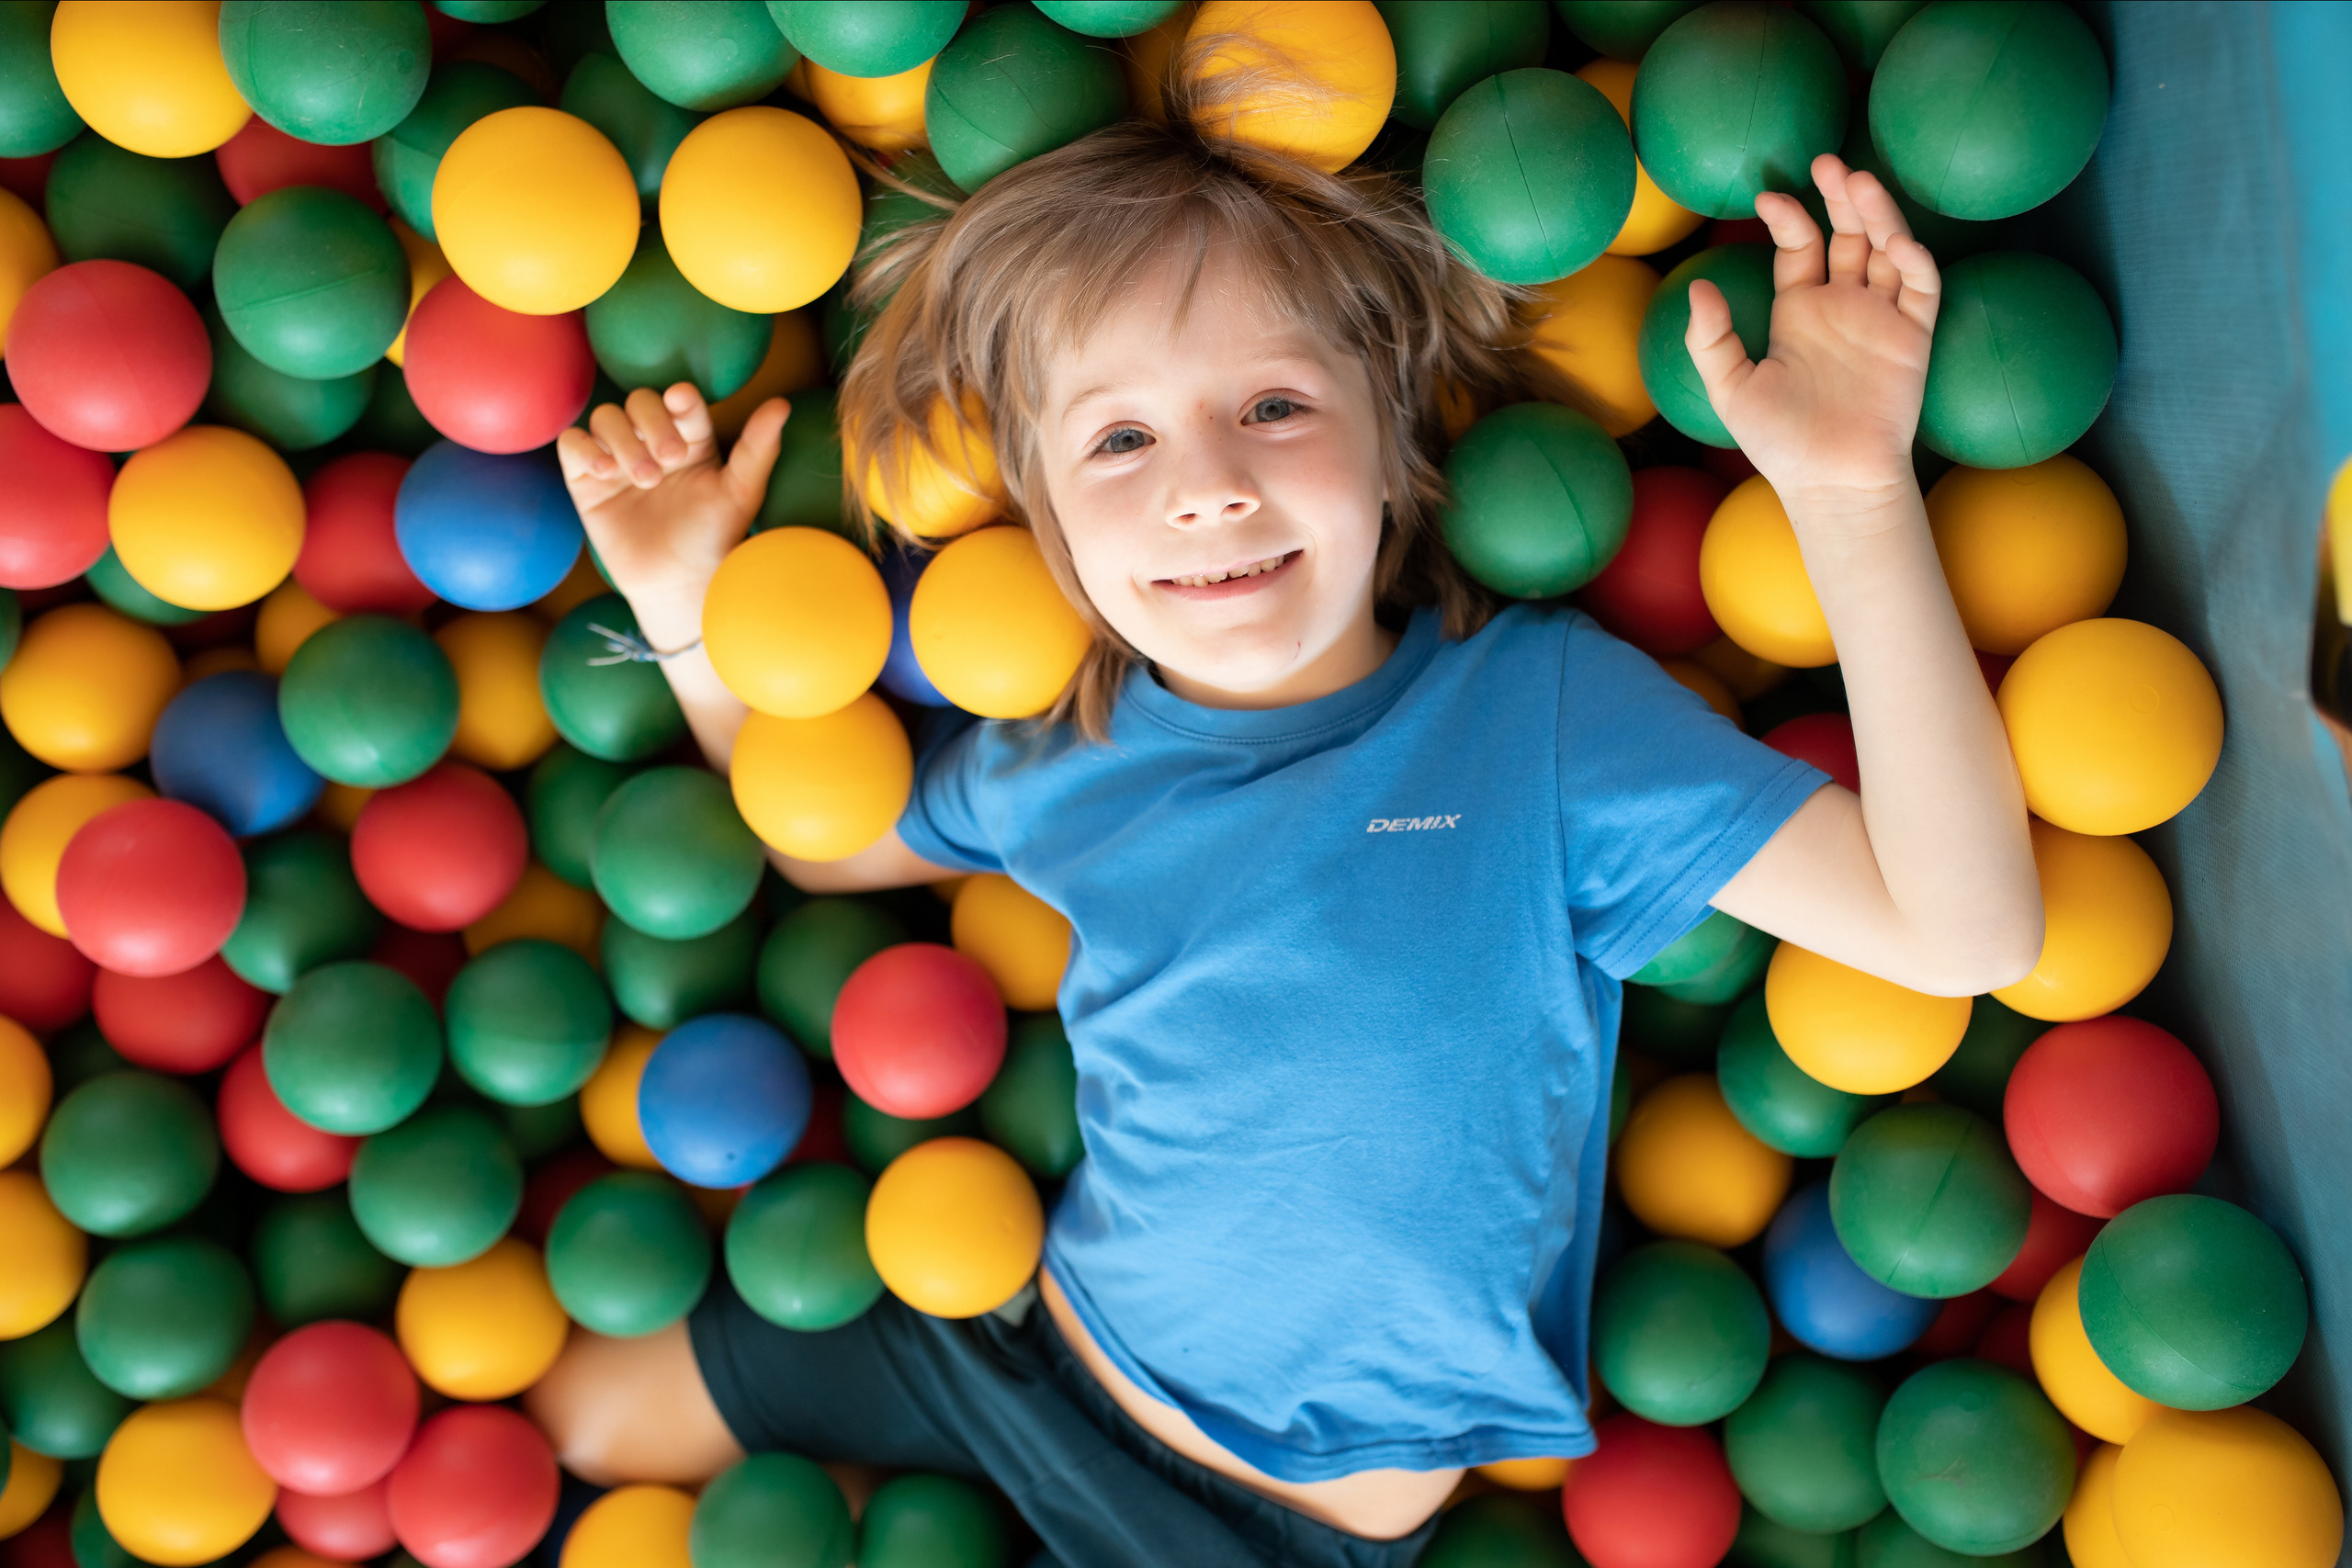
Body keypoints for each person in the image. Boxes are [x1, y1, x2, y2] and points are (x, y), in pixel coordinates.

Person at [527, 63, 2041, 1567]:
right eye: (1119, 441)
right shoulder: (1079, 752)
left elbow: (1959, 929)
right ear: (1047, 525)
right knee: (565, 1421)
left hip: (1270, 1533)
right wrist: (679, 611)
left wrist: (1849, 491)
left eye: (1272, 404)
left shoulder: (1537, 725)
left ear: (1393, 443)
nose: (1208, 486)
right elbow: (824, 838)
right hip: (1027, 1348)